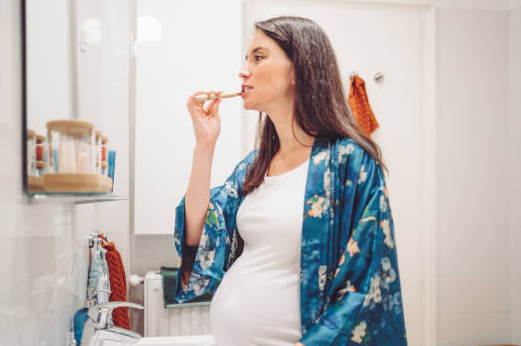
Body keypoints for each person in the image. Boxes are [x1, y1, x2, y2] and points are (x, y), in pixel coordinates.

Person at [174, 16, 407, 346]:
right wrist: (204, 146)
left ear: (299, 69)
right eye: (246, 59)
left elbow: (368, 283)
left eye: (258, 57)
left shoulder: (349, 163)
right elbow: (200, 243)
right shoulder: (254, 167)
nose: (243, 71)